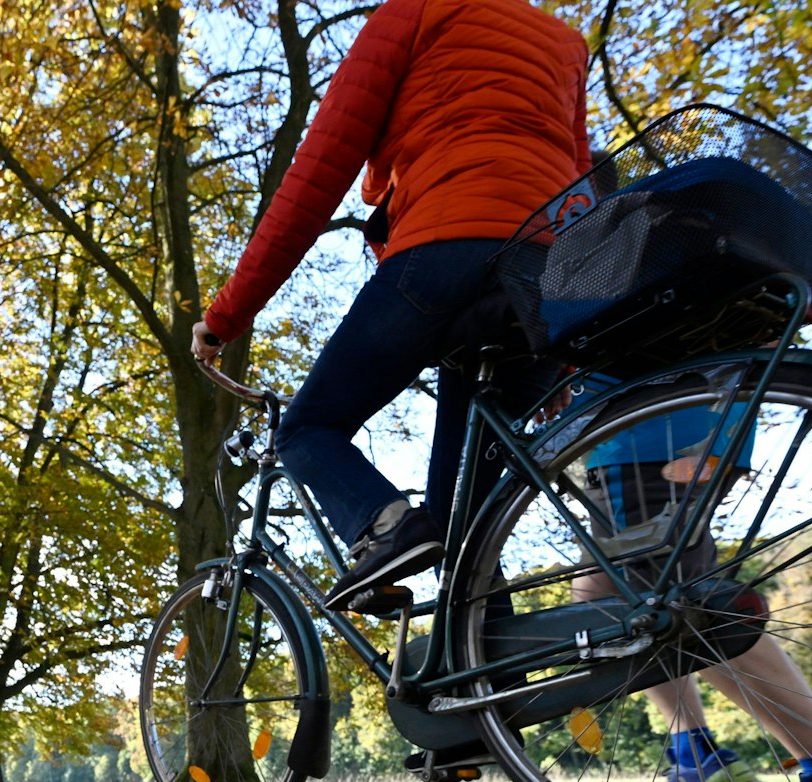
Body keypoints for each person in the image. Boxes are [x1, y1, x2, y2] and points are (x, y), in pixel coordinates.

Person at [193, 0, 593, 610]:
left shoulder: (412, 13)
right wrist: (563, 336)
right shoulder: (564, 43)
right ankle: (484, 691)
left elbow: (315, 176)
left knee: (306, 428)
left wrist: (225, 316)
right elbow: (579, 181)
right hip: (545, 273)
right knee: (470, 537)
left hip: (444, 249)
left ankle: (386, 528)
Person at [572, 384, 812, 782]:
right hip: (691, 423)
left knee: (683, 611)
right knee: (600, 596)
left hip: (644, 434)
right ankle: (693, 756)